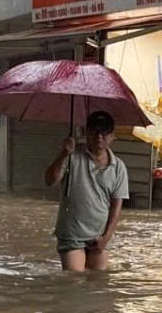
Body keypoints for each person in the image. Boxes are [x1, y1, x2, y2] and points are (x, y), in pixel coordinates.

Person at [45, 110, 128, 272]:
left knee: (97, 285)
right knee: (74, 281)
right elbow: (50, 181)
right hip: (72, 234)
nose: (99, 136)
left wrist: (106, 238)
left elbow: (116, 206)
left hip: (99, 235)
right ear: (85, 132)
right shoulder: (71, 156)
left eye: (104, 132)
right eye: (94, 131)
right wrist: (63, 154)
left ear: (112, 136)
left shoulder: (118, 167)